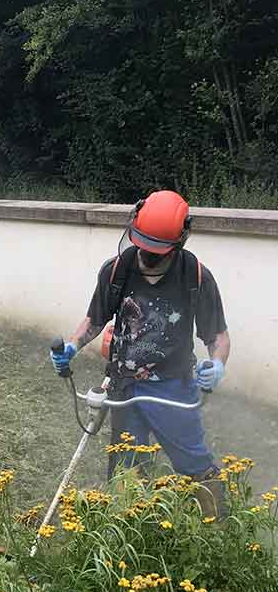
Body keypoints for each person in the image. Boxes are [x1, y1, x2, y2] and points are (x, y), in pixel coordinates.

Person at [50, 190, 231, 512]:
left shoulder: (196, 276)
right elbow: (95, 318)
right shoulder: (117, 270)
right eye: (142, 247)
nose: (145, 256)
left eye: (156, 252)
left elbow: (217, 336)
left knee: (195, 463)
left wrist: (217, 364)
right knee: (128, 471)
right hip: (124, 386)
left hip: (173, 386)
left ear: (179, 242)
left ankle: (217, 530)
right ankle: (134, 532)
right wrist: (72, 345)